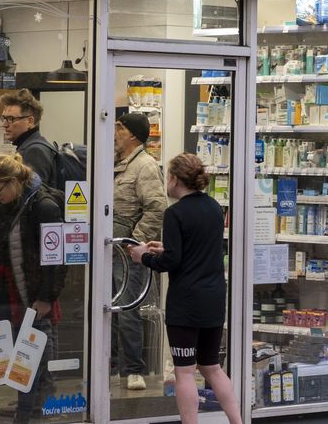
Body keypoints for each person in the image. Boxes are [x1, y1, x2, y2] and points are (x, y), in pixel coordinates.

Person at [128, 153, 239, 424]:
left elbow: (172, 262)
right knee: (212, 367)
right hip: (214, 299)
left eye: (168, 176)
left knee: (185, 371)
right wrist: (166, 249)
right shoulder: (214, 208)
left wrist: (143, 256)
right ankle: (238, 421)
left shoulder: (174, 213)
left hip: (186, 304)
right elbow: (197, 250)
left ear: (175, 179)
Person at [0, 153, 64, 424]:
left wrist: (46, 297)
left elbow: (56, 258)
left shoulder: (43, 206)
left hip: (30, 295)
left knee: (27, 363)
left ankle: (26, 417)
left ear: (13, 182)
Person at [111, 112, 168, 391]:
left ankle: (133, 370)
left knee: (128, 309)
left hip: (127, 250)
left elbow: (157, 207)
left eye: (119, 128)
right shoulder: (114, 162)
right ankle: (110, 368)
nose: (114, 132)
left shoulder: (145, 165)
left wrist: (135, 242)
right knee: (108, 309)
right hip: (109, 248)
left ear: (133, 135)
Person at [0, 88, 57, 189]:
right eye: (4, 118)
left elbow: (33, 193)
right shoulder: (28, 146)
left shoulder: (35, 151)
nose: (4, 124)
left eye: (11, 119)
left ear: (29, 121)